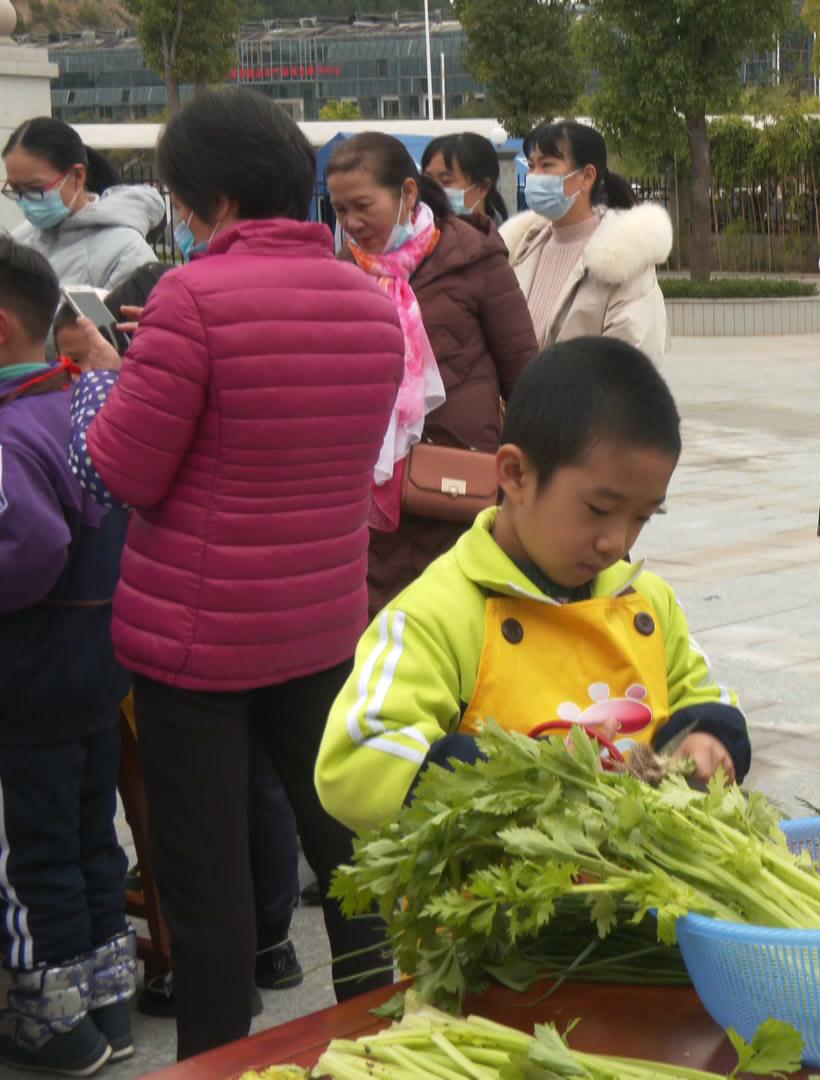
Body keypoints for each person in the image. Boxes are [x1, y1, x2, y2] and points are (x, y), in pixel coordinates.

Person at [62, 86, 402, 1060]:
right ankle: (381, 1042)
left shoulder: (191, 298)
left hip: (196, 643)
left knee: (206, 885)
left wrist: (109, 373)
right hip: (320, 626)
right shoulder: (369, 302)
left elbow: (122, 471)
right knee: (347, 857)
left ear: (209, 199)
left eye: (177, 197)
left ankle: (218, 1059)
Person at [315, 337, 751, 833]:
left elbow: (706, 694)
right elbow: (356, 759)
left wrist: (708, 737)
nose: (616, 541)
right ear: (516, 474)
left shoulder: (647, 603)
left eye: (642, 517)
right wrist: (524, 771)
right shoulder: (436, 614)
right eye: (599, 509)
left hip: (639, 874)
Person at [92, 262, 307, 1018]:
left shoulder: (181, 346)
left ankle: (220, 984)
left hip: (196, 621)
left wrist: (124, 375)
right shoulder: (325, 324)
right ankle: (272, 943)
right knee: (268, 784)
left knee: (199, 816)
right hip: (297, 609)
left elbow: (124, 473)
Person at [0, 237, 134, 1077]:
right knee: (91, 839)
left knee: (33, 852)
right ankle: (107, 1006)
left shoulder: (10, 429)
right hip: (94, 663)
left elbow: (30, 545)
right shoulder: (81, 405)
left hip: (29, 673)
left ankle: (56, 1028)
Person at [326, 132, 540, 612]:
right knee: (383, 622)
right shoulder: (341, 273)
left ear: (407, 192)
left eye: (363, 205)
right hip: (372, 496)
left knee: (459, 613)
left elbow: (524, 373)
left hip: (458, 486)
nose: (352, 223)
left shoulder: (475, 258)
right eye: (340, 210)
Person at [500, 122, 671, 357]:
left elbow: (629, 358)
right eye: (531, 166)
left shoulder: (624, 258)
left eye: (547, 165)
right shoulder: (520, 248)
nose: (534, 176)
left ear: (587, 176)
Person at [3, 117, 166, 291]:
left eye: (36, 189)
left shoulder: (127, 251)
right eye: (16, 190)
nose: (25, 200)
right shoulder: (21, 239)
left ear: (78, 176)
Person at [423, 132, 509, 225]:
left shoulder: (507, 233)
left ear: (482, 188)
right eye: (428, 180)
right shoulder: (421, 231)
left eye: (446, 181)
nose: (433, 189)